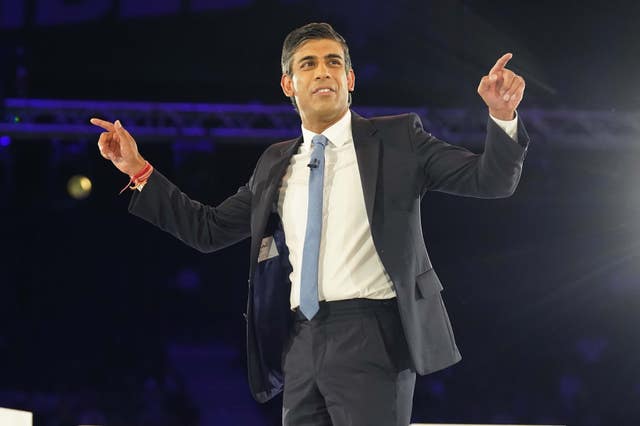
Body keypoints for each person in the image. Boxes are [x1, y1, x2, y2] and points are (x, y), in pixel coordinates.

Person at [91, 22, 528, 426]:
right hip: (299, 339)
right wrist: (139, 170)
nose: (323, 72)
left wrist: (502, 117)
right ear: (288, 84)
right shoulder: (275, 163)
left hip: (373, 335)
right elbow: (208, 230)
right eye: (309, 64)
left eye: (334, 62)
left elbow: (489, 180)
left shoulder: (398, 139)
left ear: (350, 80)